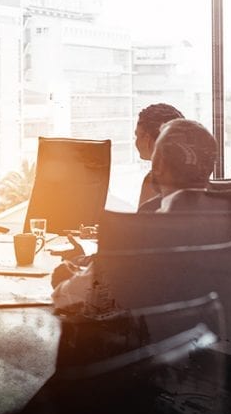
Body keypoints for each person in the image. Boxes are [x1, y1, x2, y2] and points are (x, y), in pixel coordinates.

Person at [52, 119, 218, 310]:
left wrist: (66, 279)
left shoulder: (136, 232)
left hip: (149, 338)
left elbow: (68, 298)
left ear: (159, 166)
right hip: (205, 335)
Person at [134, 103, 185, 207]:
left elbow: (142, 221)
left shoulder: (154, 180)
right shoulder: (196, 176)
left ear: (147, 139)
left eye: (137, 135)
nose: (136, 141)